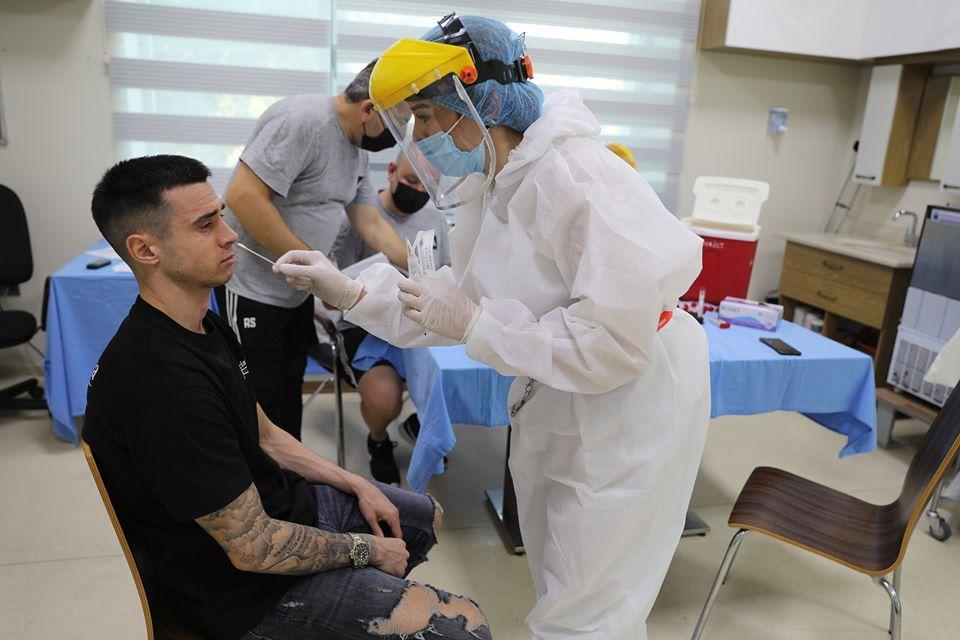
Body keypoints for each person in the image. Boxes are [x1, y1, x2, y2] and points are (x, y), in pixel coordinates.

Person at [275, 14, 711, 640]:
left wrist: (481, 326)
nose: (420, 137)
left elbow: (613, 341)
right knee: (562, 568)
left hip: (628, 396)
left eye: (427, 116)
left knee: (593, 603)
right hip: (563, 386)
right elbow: (457, 294)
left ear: (481, 100)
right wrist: (351, 291)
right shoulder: (497, 183)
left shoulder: (579, 176)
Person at [83, 155, 490, 640]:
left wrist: (358, 484)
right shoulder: (162, 384)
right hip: (240, 592)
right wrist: (363, 550)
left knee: (421, 517)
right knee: (466, 626)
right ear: (145, 250)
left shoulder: (202, 324)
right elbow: (252, 547)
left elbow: (266, 436)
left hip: (277, 509)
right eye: (206, 225)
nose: (230, 235)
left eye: (222, 217)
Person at [217, 60, 409, 440]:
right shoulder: (302, 121)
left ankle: (290, 474)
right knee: (259, 402)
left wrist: (425, 269)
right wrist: (314, 265)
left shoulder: (357, 149)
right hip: (254, 290)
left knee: (289, 392)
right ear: (368, 109)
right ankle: (262, 478)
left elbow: (370, 223)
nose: (397, 137)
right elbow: (242, 195)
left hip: (298, 293)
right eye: (397, 125)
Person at [326, 150, 452, 485]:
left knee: (460, 381)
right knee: (384, 399)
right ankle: (379, 439)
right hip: (367, 326)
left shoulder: (435, 219)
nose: (418, 191)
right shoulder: (358, 219)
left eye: (427, 186)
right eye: (411, 180)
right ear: (392, 171)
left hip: (422, 323)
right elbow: (335, 291)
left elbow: (448, 273)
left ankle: (420, 424)